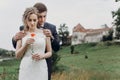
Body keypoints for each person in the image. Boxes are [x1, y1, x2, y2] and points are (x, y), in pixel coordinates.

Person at [12, 2, 60, 80]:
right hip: (26, 67)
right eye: (40, 17)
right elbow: (17, 48)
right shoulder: (23, 29)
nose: (42, 19)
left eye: (44, 16)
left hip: (43, 66)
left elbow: (56, 48)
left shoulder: (50, 29)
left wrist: (51, 37)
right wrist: (15, 38)